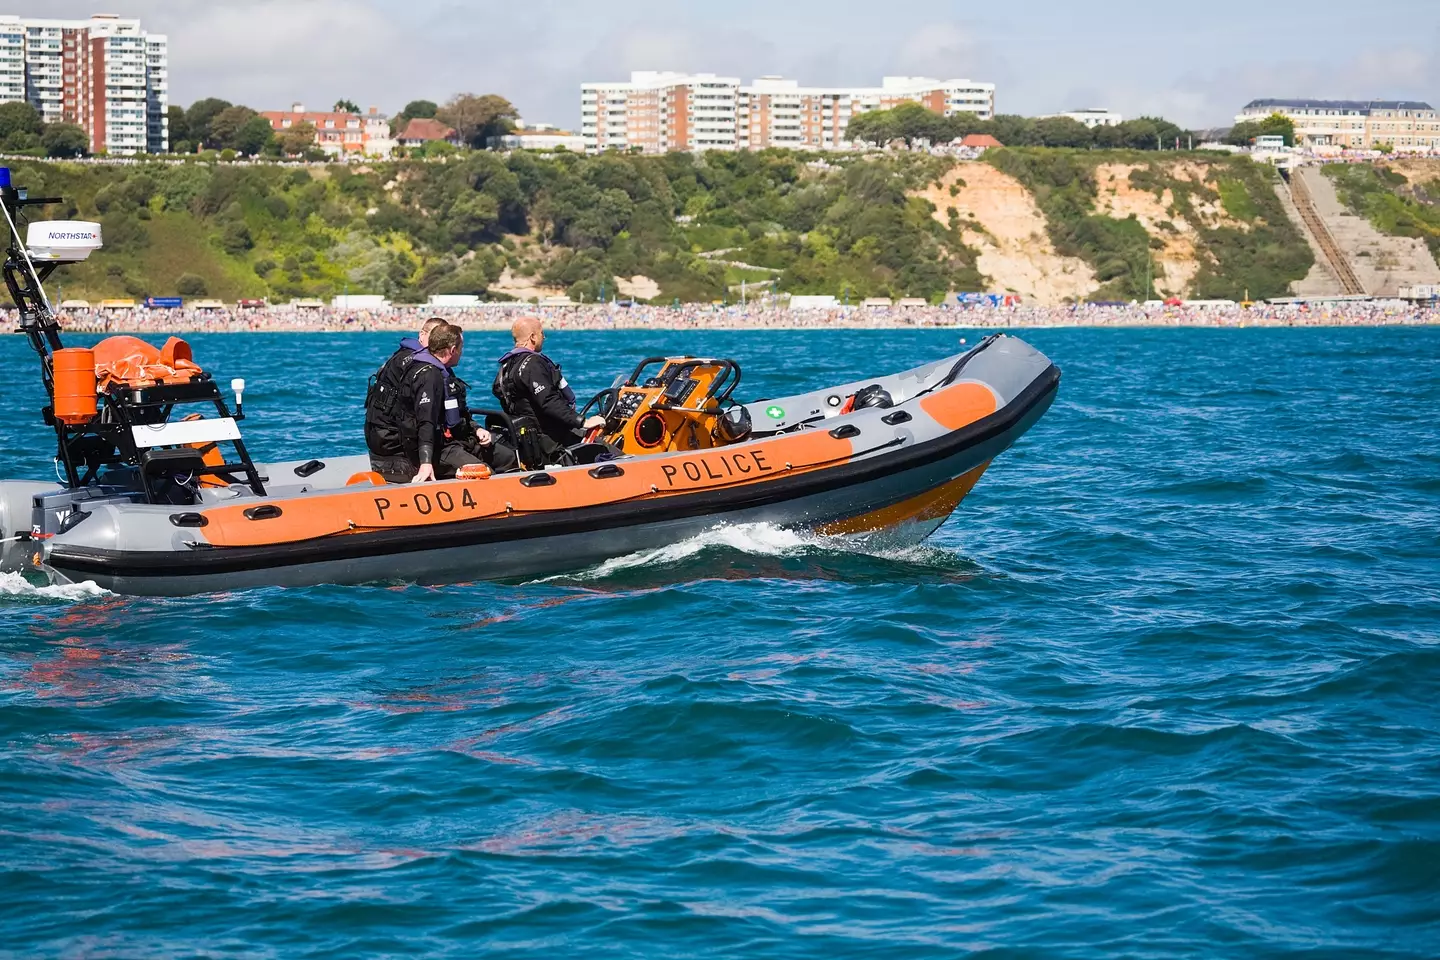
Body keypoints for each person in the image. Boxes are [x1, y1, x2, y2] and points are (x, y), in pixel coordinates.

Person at [368, 322, 515, 482]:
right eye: (461, 348)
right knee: (485, 473)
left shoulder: (442, 372)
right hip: (434, 447)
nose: (461, 352)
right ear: (453, 350)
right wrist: (425, 463)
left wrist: (477, 429)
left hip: (453, 439)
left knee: (506, 457)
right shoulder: (428, 376)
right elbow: (426, 422)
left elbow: (458, 412)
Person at [492, 315, 605, 467]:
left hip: (529, 437)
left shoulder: (506, 366)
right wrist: (583, 421)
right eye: (541, 333)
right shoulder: (533, 363)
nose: (544, 337)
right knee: (608, 452)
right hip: (550, 438)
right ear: (532, 337)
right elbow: (548, 401)